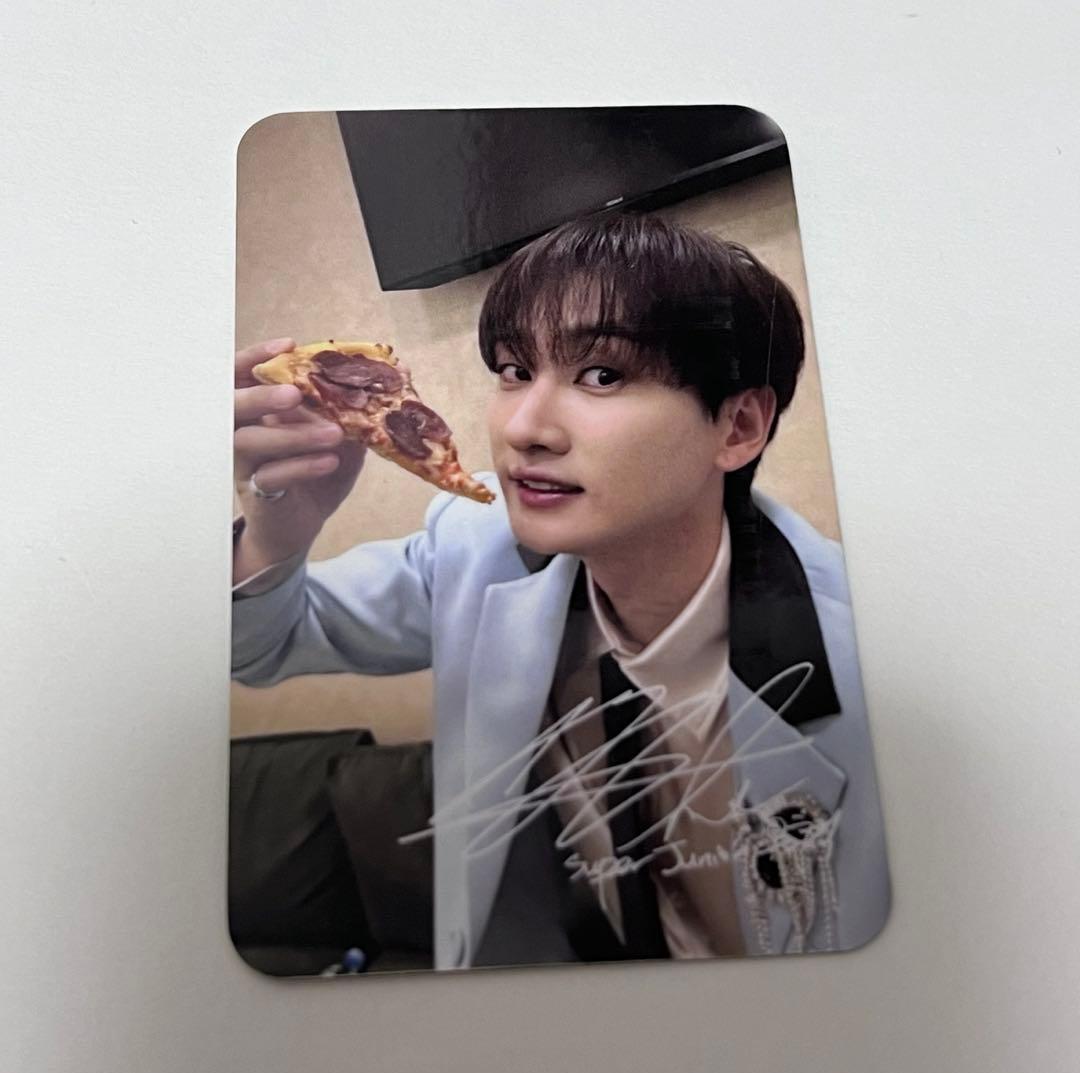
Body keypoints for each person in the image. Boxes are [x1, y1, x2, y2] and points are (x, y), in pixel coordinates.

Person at [231, 213, 890, 970]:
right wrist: (276, 538)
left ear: (737, 426)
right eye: (514, 370)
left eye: (601, 375)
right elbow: (261, 645)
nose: (524, 428)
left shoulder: (881, 657)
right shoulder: (476, 548)